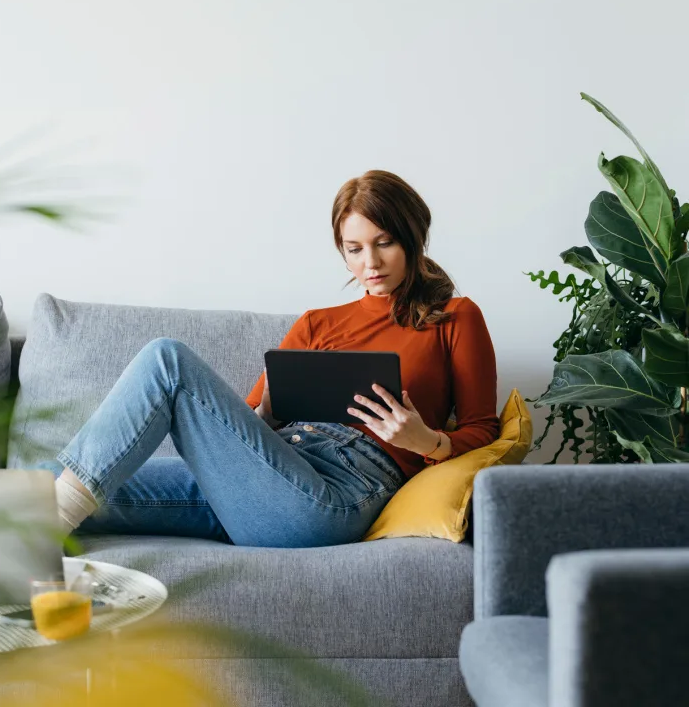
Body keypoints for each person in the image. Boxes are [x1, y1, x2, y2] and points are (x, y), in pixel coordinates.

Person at [50, 170, 500, 548]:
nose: (371, 263)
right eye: (354, 248)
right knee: (49, 479)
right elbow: (245, 426)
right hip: (266, 478)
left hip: (336, 495)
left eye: (385, 243)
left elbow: (484, 428)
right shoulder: (316, 323)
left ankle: (46, 529)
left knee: (167, 361)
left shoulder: (456, 317)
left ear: (412, 237)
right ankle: (26, 541)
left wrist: (427, 442)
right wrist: (265, 414)